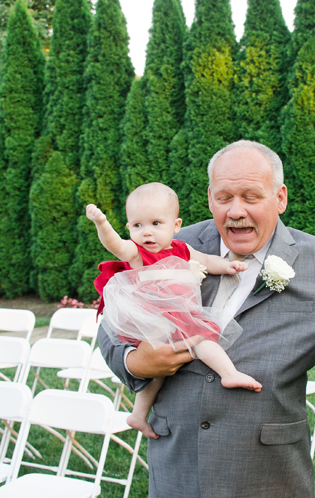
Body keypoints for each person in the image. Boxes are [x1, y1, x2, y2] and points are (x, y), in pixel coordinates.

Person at [98, 141, 315, 498]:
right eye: (224, 198)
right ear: (210, 198)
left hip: (267, 476)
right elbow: (113, 321)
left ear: (280, 198)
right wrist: (136, 362)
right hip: (177, 471)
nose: (236, 211)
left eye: (251, 197)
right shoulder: (170, 245)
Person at [87, 182, 262, 439]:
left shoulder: (182, 250)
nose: (147, 233)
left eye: (156, 224)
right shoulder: (137, 253)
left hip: (176, 315)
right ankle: (229, 373)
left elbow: (208, 261)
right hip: (154, 317)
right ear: (129, 228)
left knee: (167, 365)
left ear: (176, 225)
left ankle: (138, 415)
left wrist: (228, 267)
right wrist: (101, 223)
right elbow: (115, 245)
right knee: (194, 343)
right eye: (138, 226)